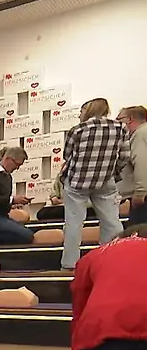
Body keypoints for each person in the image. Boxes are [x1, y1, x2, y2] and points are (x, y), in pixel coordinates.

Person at [60, 98, 130, 270]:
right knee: (111, 222)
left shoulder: (77, 130)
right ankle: (110, 261)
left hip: (77, 181)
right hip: (105, 180)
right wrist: (112, 171)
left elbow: (67, 155)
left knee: (74, 223)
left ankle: (70, 264)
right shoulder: (120, 128)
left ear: (88, 110)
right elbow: (125, 156)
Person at [116, 106, 146, 225]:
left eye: (119, 119)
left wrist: (140, 193)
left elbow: (142, 163)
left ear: (130, 119)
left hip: (144, 198)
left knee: (139, 236)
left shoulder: (139, 135)